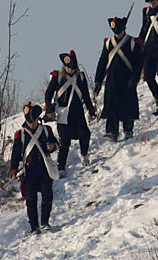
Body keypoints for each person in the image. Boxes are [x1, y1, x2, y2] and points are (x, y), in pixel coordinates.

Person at [10, 102, 59, 234]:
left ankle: (45, 222)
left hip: (44, 169)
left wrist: (52, 146)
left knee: (47, 195)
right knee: (31, 200)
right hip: (29, 172)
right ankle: (34, 227)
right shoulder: (20, 135)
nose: (32, 124)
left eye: (34, 121)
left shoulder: (46, 130)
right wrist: (14, 171)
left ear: (38, 118)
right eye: (29, 121)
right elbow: (15, 155)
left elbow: (56, 144)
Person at [44, 50, 96, 176]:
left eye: (72, 68)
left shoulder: (80, 77)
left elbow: (85, 95)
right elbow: (48, 94)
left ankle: (84, 155)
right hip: (63, 114)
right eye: (68, 67)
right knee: (64, 141)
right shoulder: (58, 77)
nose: (70, 70)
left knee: (85, 134)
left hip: (77, 113)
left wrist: (90, 108)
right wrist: (49, 109)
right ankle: (61, 167)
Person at [94, 15, 144, 141]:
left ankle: (128, 130)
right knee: (111, 105)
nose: (117, 34)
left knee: (128, 105)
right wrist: (98, 80)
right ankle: (112, 131)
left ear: (124, 29)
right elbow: (102, 62)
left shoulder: (133, 42)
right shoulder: (108, 43)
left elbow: (138, 63)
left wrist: (135, 79)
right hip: (112, 79)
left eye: (119, 31)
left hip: (127, 79)